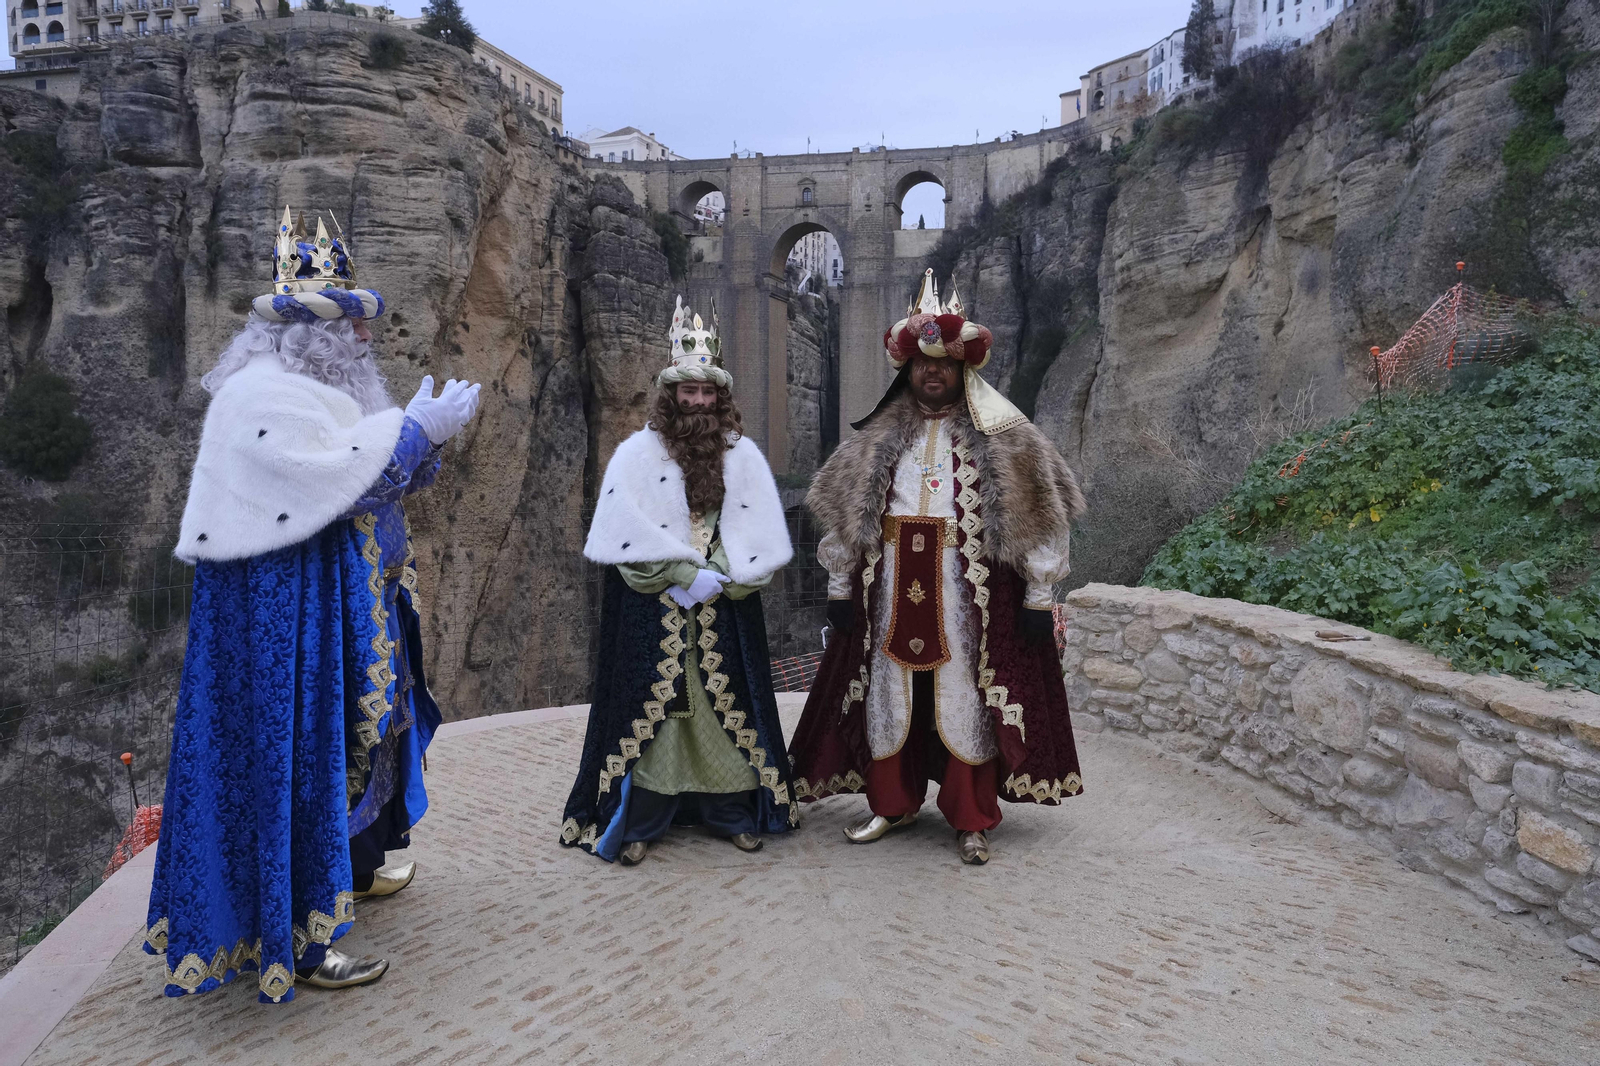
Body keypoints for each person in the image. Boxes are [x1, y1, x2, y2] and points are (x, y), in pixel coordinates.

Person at [144, 208, 481, 1002]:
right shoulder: (263, 398)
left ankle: (346, 877)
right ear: (310, 338)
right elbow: (347, 480)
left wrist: (416, 438)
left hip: (333, 606)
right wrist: (411, 433)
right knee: (292, 755)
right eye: (351, 329)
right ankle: (296, 936)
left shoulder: (319, 394)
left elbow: (366, 481)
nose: (365, 342)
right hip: (281, 623)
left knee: (338, 749)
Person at [790, 269, 1086, 865]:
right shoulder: (873, 436)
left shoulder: (1007, 435)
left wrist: (1039, 596)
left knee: (964, 698)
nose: (933, 374)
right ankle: (891, 803)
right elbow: (846, 515)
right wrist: (841, 586)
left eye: (945, 365)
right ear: (908, 370)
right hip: (890, 581)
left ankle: (969, 817)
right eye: (923, 365)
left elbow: (1042, 516)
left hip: (968, 589)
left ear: (962, 370)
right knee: (888, 695)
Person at [560, 296, 797, 864]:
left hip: (725, 607)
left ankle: (732, 810)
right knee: (656, 710)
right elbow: (622, 530)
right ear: (670, 396)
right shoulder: (635, 454)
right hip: (653, 606)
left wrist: (724, 577)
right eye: (687, 392)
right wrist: (677, 573)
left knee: (725, 710)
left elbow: (757, 529)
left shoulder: (743, 456)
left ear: (721, 397)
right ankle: (640, 821)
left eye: (707, 392)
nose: (697, 401)